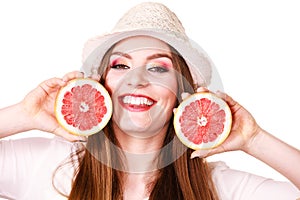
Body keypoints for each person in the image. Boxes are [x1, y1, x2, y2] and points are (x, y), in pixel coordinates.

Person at [0, 2, 299, 200]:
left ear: (182, 91)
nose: (136, 80)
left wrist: (254, 139)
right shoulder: (49, 164)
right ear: (102, 84)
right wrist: (24, 114)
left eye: (158, 68)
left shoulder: (218, 187)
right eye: (120, 65)